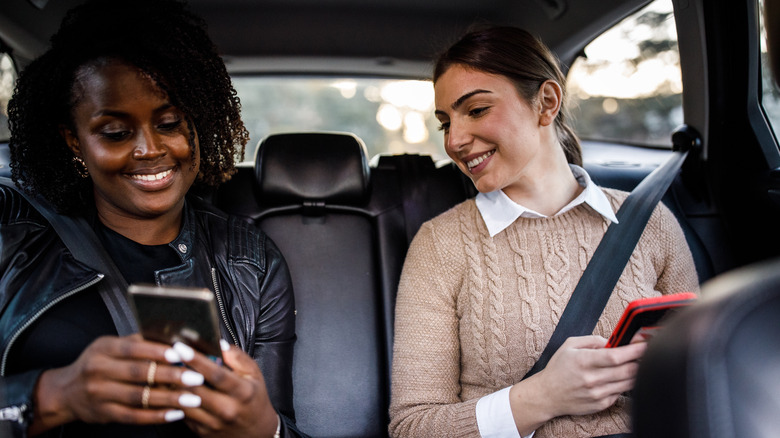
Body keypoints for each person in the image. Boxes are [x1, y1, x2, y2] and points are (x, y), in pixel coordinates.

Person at [0, 0, 305, 437]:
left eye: (169, 123)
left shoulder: (251, 262)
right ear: (74, 141)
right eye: (116, 133)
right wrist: (52, 394)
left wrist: (264, 427)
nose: (149, 149)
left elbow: (278, 422)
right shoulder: (11, 236)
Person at [388, 26, 700, 438]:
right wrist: (543, 397)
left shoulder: (651, 222)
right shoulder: (440, 245)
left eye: (476, 110)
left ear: (546, 103)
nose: (455, 140)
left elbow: (704, 379)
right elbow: (413, 427)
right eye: (446, 122)